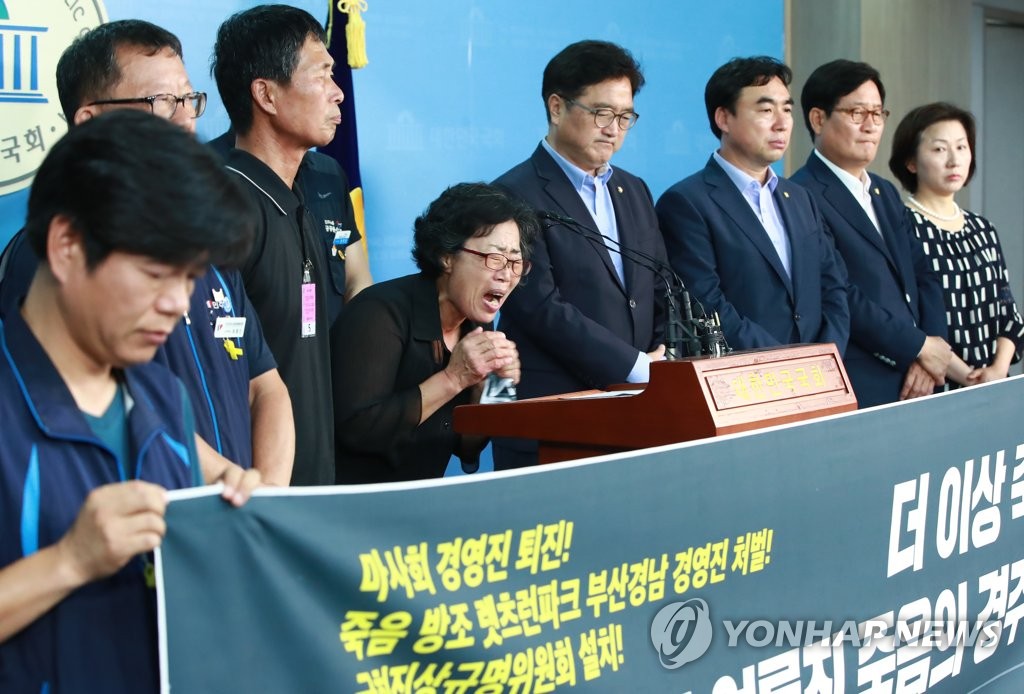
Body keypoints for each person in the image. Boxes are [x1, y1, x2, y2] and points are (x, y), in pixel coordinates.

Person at [0, 110, 260, 693]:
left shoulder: (164, 399)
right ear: (67, 245)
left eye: (191, 277)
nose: (178, 303)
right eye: (155, 273)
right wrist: (68, 562)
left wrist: (229, 526)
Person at [0, 19, 294, 485]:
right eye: (161, 101)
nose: (185, 120)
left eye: (188, 100)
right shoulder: (43, 259)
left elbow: (264, 386)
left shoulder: (159, 397)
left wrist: (256, 501)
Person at [491, 39, 668, 470]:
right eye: (601, 113)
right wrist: (634, 366)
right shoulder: (511, 194)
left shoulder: (634, 189)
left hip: (641, 410)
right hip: (556, 412)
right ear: (556, 107)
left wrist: (663, 366)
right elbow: (540, 307)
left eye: (625, 117)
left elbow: (660, 285)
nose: (613, 129)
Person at [212, 5, 348, 485]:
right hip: (252, 495)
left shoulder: (300, 196)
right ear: (266, 94)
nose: (338, 92)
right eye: (321, 75)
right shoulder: (224, 206)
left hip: (313, 483)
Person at [332, 183, 536, 483]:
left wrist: (497, 387)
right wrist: (454, 379)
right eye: (494, 258)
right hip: (353, 499)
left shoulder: (477, 323)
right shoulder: (378, 313)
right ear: (446, 256)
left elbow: (467, 447)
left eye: (515, 262)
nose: (506, 274)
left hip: (425, 496)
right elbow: (358, 431)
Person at [656, 56, 848, 352]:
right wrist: (782, 362)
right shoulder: (686, 202)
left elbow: (833, 286)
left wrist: (825, 355)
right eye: (766, 110)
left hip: (816, 370)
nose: (781, 124)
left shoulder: (800, 198)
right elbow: (705, 304)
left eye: (787, 109)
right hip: (746, 371)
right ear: (724, 119)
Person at [790, 60, 950, 408]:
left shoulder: (885, 191)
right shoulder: (801, 195)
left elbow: (923, 274)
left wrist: (932, 348)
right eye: (857, 113)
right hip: (866, 378)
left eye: (878, 113)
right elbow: (840, 292)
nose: (871, 126)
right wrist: (917, 347)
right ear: (818, 119)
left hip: (922, 375)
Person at [888, 102, 1024, 386]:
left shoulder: (983, 229)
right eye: (939, 149)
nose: (954, 160)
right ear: (911, 162)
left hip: (996, 384)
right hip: (938, 384)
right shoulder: (902, 227)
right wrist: (968, 378)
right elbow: (907, 321)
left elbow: (1008, 312)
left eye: (961, 147)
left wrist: (997, 371)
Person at [208, 128, 373, 322]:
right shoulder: (206, 171)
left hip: (331, 340)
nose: (337, 108)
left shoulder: (329, 173)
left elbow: (356, 280)